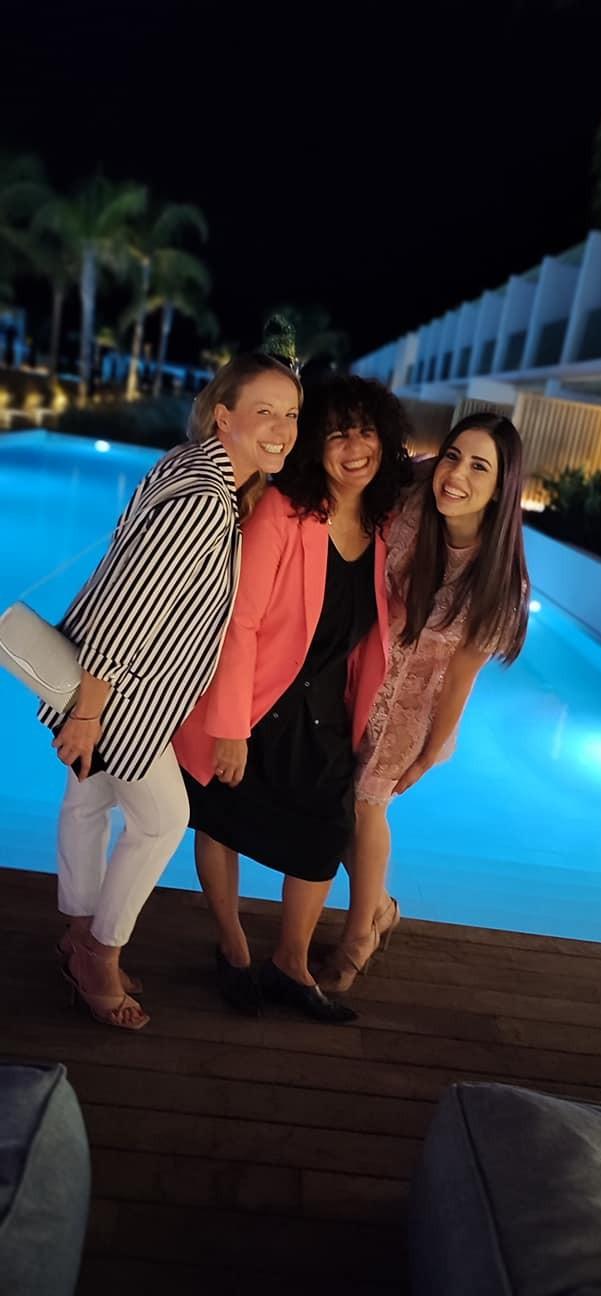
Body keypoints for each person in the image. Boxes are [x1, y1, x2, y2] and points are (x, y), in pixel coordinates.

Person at [39, 353, 302, 1031]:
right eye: (265, 411)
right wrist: (89, 712)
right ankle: (100, 954)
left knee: (89, 801)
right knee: (161, 820)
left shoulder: (195, 468)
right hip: (122, 694)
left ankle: (78, 935)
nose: (282, 428)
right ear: (225, 416)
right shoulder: (204, 501)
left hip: (111, 686)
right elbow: (128, 605)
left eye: (291, 414)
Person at [174, 375, 413, 1023]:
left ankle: (289, 962)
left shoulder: (383, 524)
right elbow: (241, 622)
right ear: (314, 446)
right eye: (336, 434)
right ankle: (232, 947)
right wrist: (229, 727)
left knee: (323, 837)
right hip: (256, 705)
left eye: (365, 431)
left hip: (325, 712)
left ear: (385, 439)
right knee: (220, 819)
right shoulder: (283, 510)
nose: (354, 447)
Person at [319, 411, 531, 992]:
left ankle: (359, 934)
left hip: (413, 707)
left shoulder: (499, 584)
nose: (456, 475)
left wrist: (430, 751)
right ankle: (380, 906)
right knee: (335, 803)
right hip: (357, 675)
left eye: (480, 467)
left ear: (502, 487)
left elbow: (461, 677)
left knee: (366, 808)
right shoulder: (415, 495)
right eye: (453, 456)